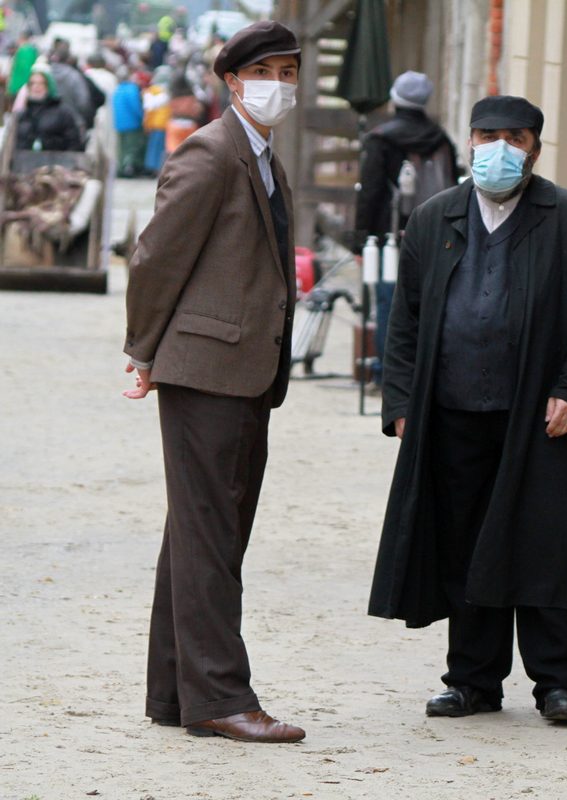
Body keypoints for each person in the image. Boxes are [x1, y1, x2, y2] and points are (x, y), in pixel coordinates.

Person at [368, 95, 567, 724]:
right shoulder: (435, 218)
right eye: (486, 135)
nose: (498, 148)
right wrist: (401, 401)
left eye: (513, 137)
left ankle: (561, 683)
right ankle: (473, 681)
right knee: (465, 546)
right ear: (470, 141)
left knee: (546, 545)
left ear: (535, 147)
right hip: (452, 410)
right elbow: (407, 320)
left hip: (539, 414)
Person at [122, 20, 306, 745]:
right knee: (212, 534)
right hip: (208, 372)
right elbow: (154, 258)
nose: (280, 87)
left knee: (200, 533)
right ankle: (223, 696)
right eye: (267, 72)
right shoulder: (211, 150)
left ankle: (177, 692)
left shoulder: (261, 155)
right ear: (233, 81)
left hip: (243, 371)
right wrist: (141, 350)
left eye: (291, 74)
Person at [353, 69, 459, 388]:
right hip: (437, 235)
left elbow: (370, 192)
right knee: (429, 303)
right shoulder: (442, 140)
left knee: (388, 302)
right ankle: (423, 375)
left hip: (390, 235)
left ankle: (388, 376)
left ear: (395, 98)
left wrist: (360, 241)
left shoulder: (381, 138)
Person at [16, 67, 85, 152]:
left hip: (56, 162)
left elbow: (74, 143)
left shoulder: (63, 113)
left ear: (48, 86)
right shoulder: (22, 115)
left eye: (41, 83)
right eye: (32, 83)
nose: (36, 87)